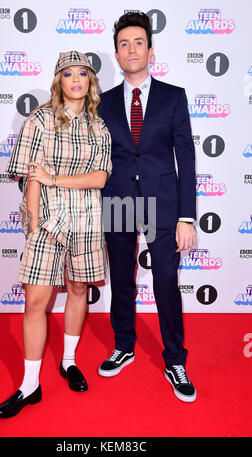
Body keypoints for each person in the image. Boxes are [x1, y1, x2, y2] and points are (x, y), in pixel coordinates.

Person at [0, 51, 112, 418]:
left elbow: (100, 178)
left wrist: (54, 179)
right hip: (48, 221)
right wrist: (32, 221)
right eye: (67, 74)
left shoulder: (100, 127)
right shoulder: (40, 119)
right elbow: (32, 175)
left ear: (91, 81)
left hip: (88, 220)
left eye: (82, 74)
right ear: (58, 81)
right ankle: (30, 385)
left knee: (78, 290)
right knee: (35, 303)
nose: (75, 79)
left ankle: (69, 361)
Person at [98, 12, 197, 402]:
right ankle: (124, 344)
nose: (131, 49)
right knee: (121, 278)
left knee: (165, 283)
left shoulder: (174, 97)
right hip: (118, 199)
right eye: (124, 44)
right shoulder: (101, 103)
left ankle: (175, 358)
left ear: (150, 50)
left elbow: (186, 159)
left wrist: (186, 217)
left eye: (138, 42)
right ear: (118, 54)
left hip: (163, 204)